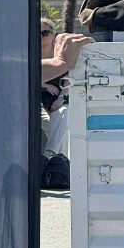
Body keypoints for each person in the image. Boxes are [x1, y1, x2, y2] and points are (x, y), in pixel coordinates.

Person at [41, 25, 93, 159]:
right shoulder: (29, 52)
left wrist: (61, 98)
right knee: (56, 126)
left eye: (44, 33)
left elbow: (69, 78)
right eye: (37, 32)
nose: (40, 36)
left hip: (55, 99)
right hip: (36, 100)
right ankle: (56, 158)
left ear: (53, 35)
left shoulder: (60, 51)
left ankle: (53, 155)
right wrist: (45, 85)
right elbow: (25, 75)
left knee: (62, 115)